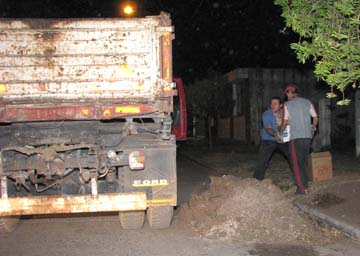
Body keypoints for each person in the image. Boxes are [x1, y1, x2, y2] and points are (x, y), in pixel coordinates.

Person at [279, 85, 318, 195]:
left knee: (296, 163)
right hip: (307, 137)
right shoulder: (307, 102)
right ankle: (305, 184)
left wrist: (280, 133)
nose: (287, 96)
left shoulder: (288, 105)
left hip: (295, 138)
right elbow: (315, 117)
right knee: (304, 161)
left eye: (287, 94)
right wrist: (313, 129)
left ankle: (300, 189)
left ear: (289, 93)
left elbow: (284, 121)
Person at [254, 96, 292, 181]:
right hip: (268, 140)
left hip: (283, 140)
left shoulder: (285, 114)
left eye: (275, 103)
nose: (272, 105)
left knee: (292, 156)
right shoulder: (267, 114)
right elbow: (268, 129)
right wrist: (276, 134)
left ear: (281, 105)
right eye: (271, 103)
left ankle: (298, 177)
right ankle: (256, 180)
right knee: (263, 160)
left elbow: (289, 126)